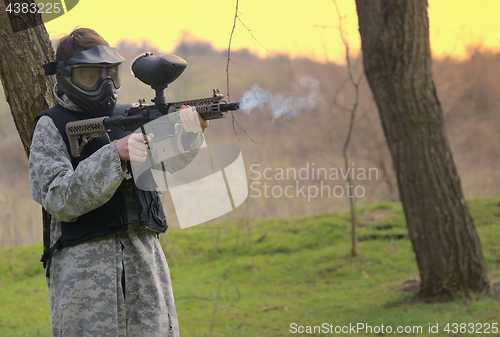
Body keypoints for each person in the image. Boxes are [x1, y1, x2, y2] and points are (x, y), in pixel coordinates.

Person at [29, 27, 207, 337]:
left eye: (109, 74)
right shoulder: (51, 126)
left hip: (144, 267)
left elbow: (169, 164)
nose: (104, 85)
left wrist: (190, 134)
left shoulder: (131, 117)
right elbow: (58, 198)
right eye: (90, 76)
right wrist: (115, 155)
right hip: (86, 283)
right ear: (67, 77)